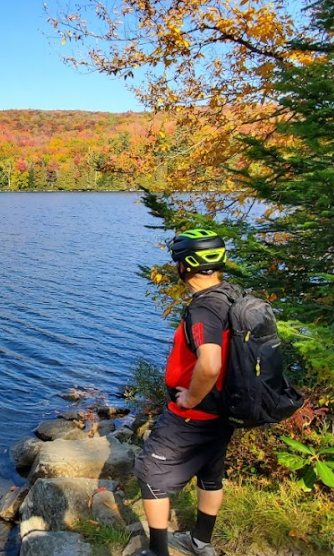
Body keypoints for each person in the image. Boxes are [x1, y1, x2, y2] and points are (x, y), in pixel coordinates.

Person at [134, 229, 239, 556]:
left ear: (187, 266)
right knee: (210, 474)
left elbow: (209, 365)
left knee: (150, 473)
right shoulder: (232, 295)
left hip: (193, 415)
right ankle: (200, 543)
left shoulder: (204, 308)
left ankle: (157, 552)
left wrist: (190, 399)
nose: (175, 266)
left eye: (177, 260)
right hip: (223, 411)